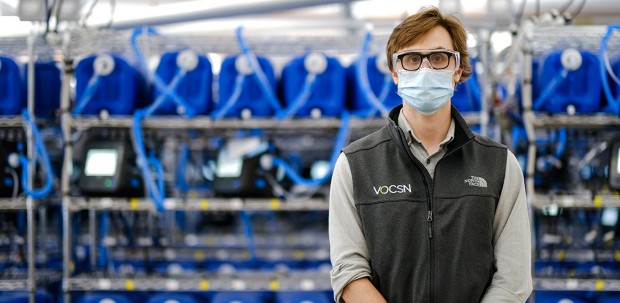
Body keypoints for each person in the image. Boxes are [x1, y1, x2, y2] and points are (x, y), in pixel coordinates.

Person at [328, 6, 532, 303]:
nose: (425, 70)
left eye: (438, 58)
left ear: (457, 70)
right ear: (395, 73)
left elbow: (512, 279)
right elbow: (349, 270)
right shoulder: (356, 164)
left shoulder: (498, 164)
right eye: (412, 59)